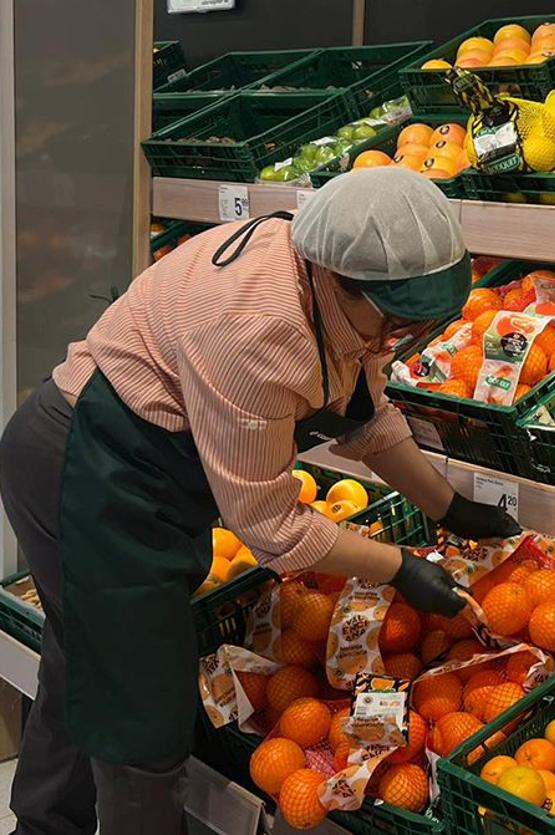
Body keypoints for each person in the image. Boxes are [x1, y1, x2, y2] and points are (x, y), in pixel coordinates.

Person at [0, 167, 520, 834]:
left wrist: (448, 506)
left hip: (138, 470)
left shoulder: (328, 286)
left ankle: (44, 826)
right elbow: (272, 527)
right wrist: (398, 566)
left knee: (90, 661)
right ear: (340, 278)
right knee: (142, 711)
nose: (394, 339)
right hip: (86, 467)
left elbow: (366, 413)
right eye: (393, 319)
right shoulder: (260, 325)